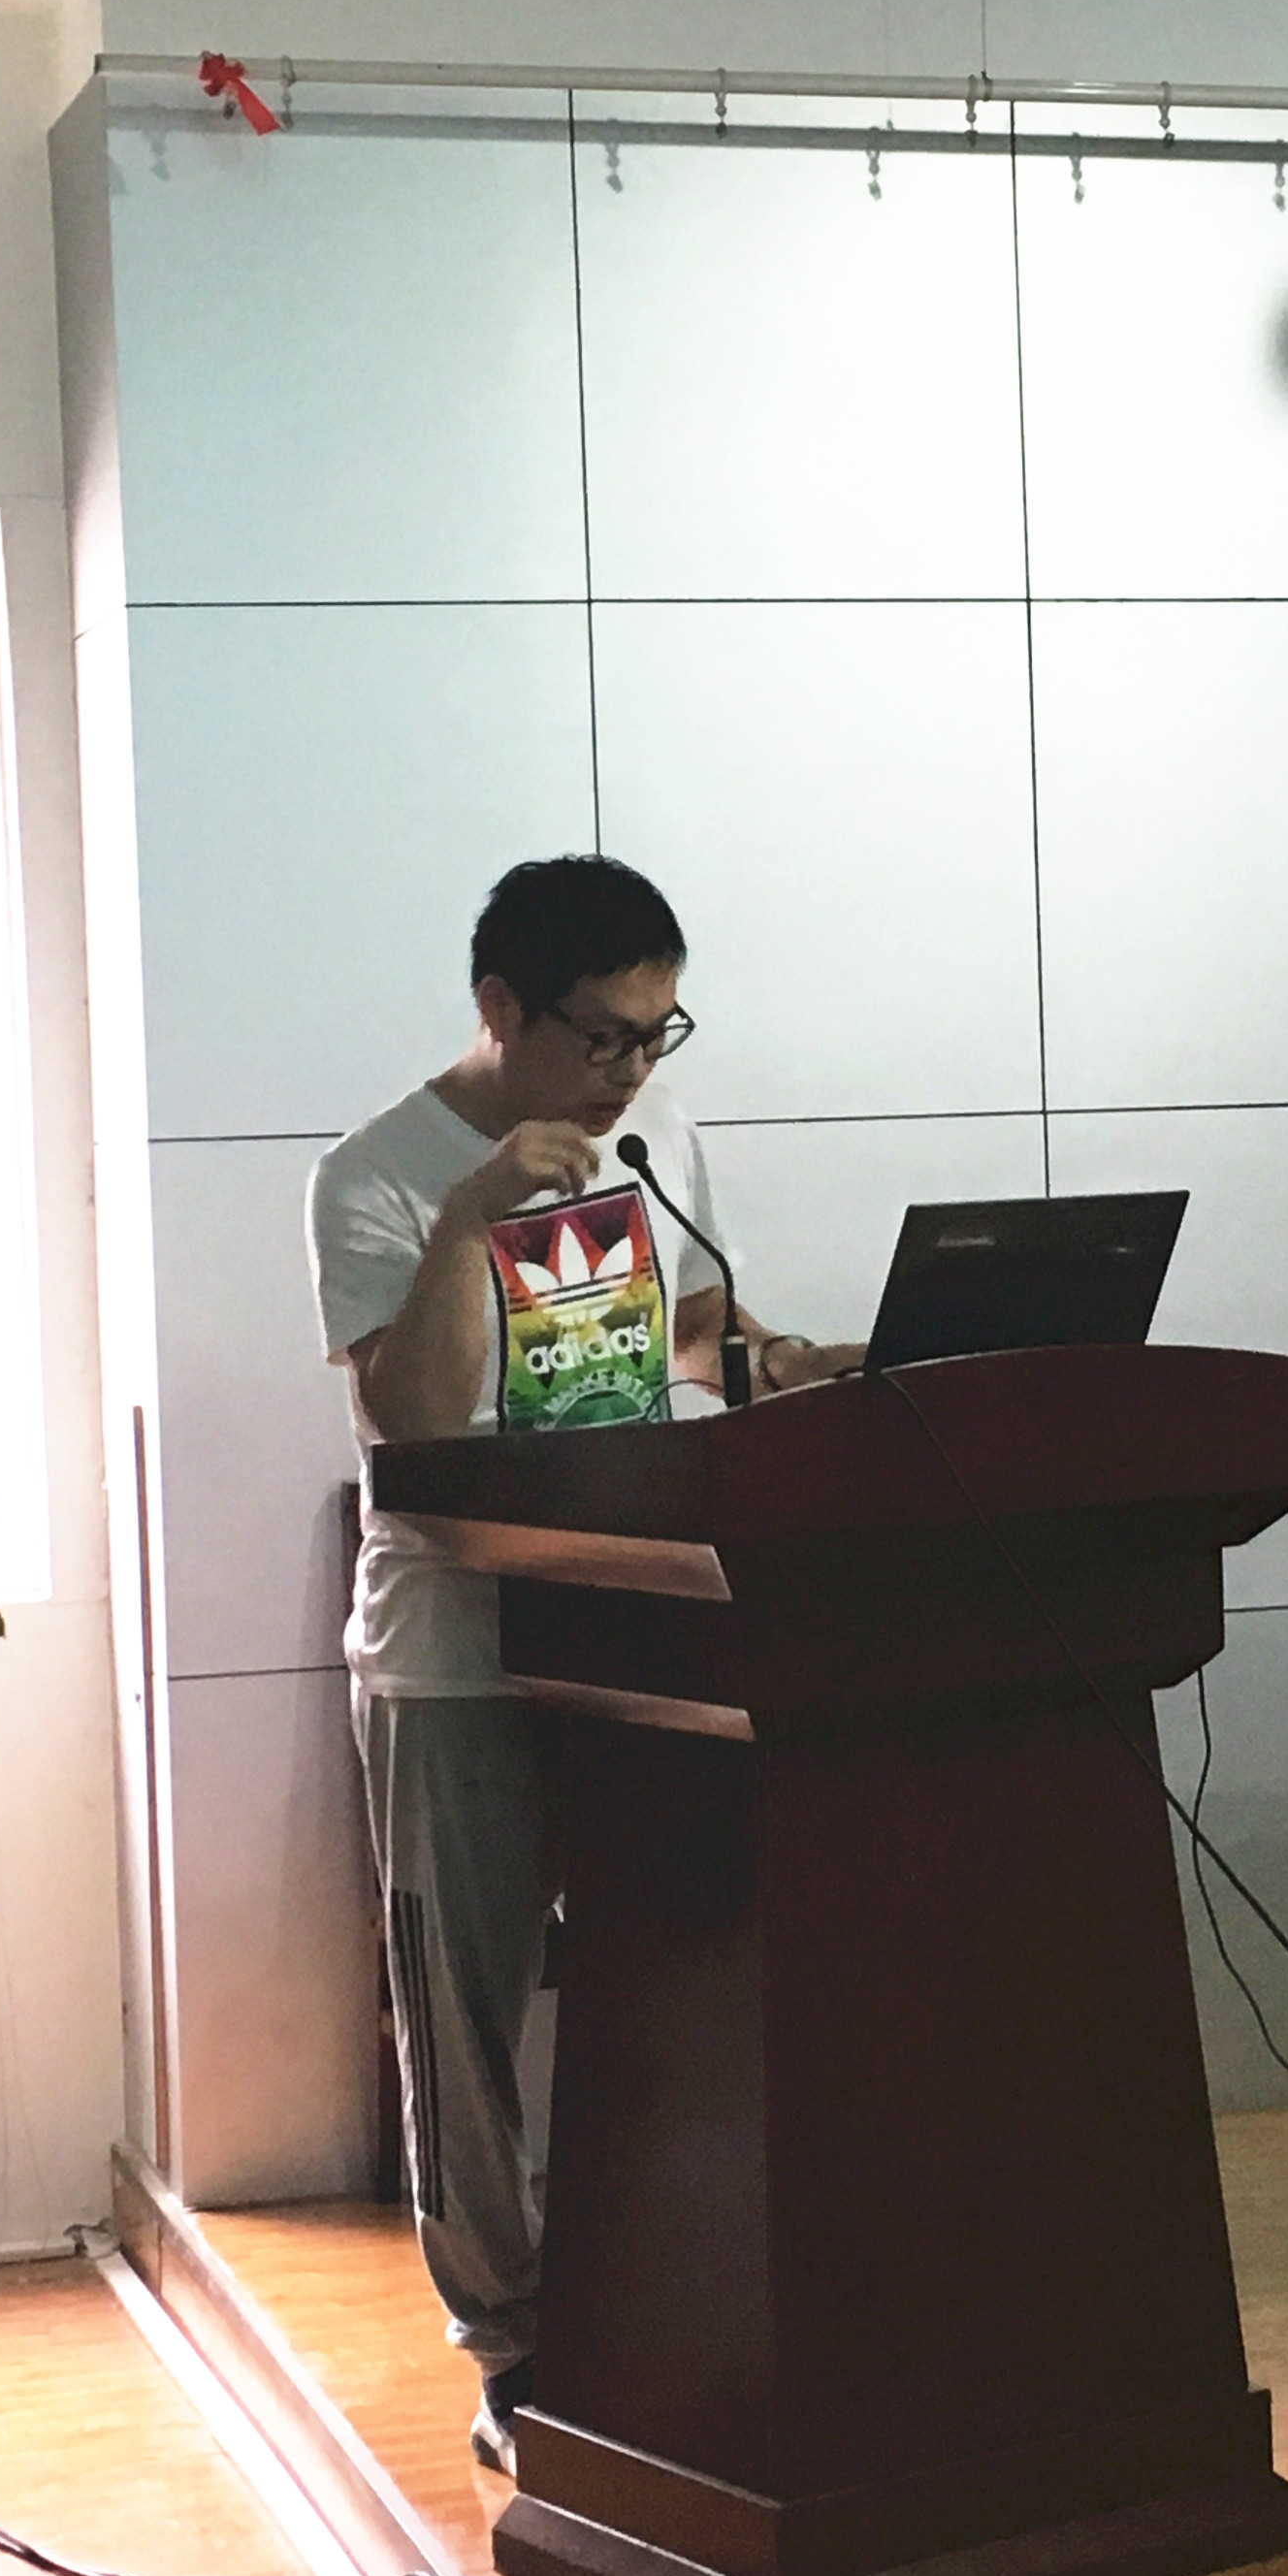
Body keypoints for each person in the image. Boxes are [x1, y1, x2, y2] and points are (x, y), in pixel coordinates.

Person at [306, 854, 860, 2471]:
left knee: (673, 1970)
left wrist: (781, 1363)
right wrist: (472, 1219)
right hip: (457, 1648)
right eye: (603, 1036)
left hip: (642, 1624)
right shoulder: (377, 1175)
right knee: (464, 2017)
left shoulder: (655, 1132)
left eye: (656, 1033)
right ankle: (512, 2339)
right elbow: (408, 1419)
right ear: (501, 1007)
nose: (628, 1071)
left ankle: (671, 2299)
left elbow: (690, 1337)